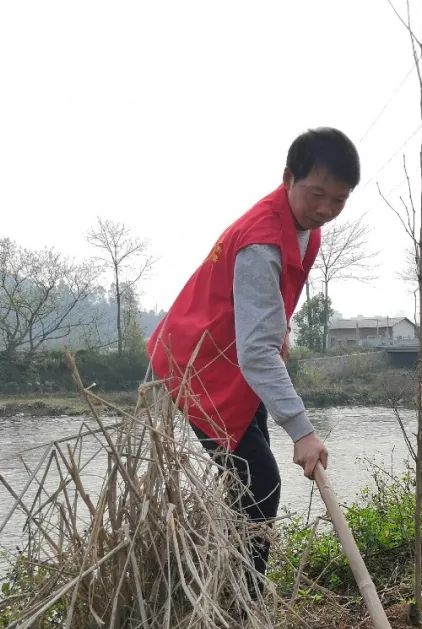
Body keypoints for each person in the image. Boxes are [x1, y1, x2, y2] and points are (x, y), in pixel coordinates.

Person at [147, 127, 360, 596]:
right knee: (259, 482)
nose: (326, 209)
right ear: (288, 178)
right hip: (200, 365)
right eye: (317, 194)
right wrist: (303, 431)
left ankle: (226, 586)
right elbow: (256, 352)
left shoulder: (306, 228)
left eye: (339, 200)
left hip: (235, 358)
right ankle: (241, 610)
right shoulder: (262, 242)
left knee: (248, 478)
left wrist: (278, 327)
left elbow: (264, 321)